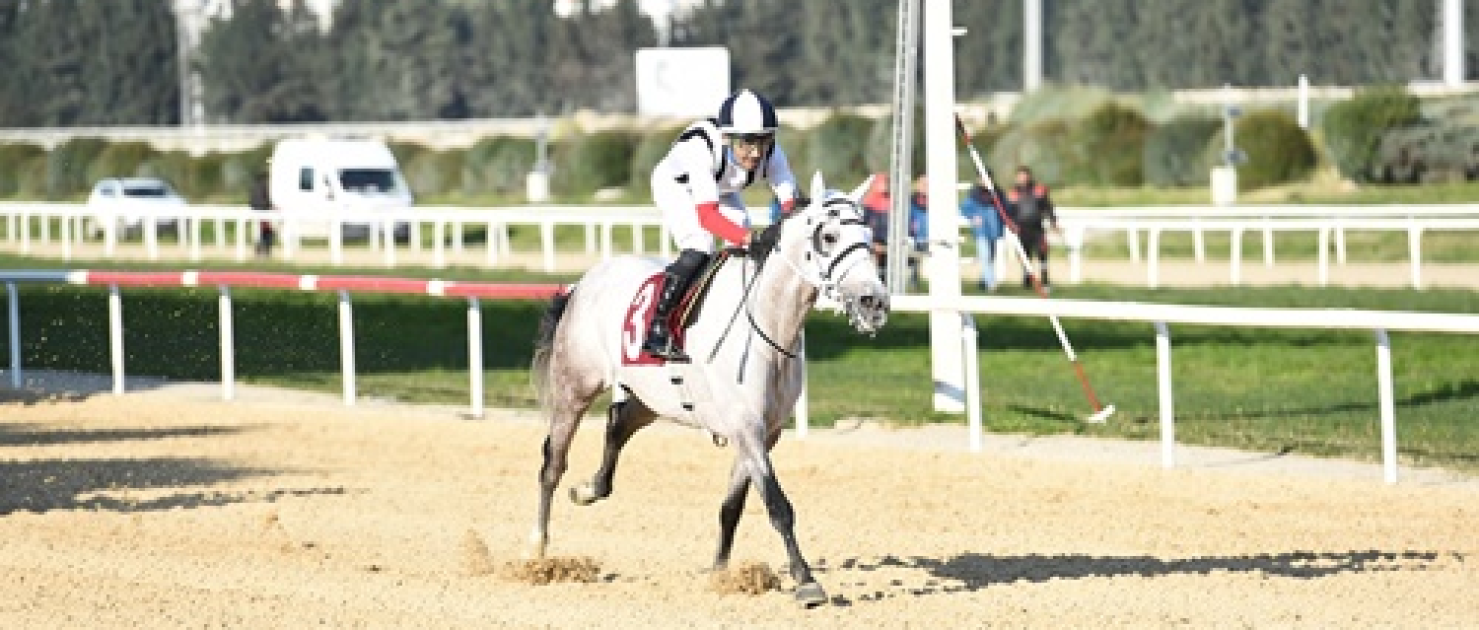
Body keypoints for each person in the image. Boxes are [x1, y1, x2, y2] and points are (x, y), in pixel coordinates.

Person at [643, 89, 799, 361]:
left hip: (720, 189)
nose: (756, 153)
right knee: (700, 246)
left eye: (763, 142)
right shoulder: (702, 147)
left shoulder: (773, 152)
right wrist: (751, 238)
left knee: (744, 244)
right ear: (728, 138)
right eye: (747, 143)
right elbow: (707, 216)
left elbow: (790, 205)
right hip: (678, 187)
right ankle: (657, 325)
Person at [1005, 165, 1058, 289]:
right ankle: (1027, 280)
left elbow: (1048, 207)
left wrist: (1053, 222)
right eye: (1020, 176)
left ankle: (1045, 280)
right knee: (1025, 255)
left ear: (1029, 176)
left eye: (1025, 175)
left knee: (1042, 253)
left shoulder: (1039, 190)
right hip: (1021, 229)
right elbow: (1010, 211)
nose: (1022, 178)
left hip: (1037, 228)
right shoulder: (1013, 193)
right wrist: (1010, 223)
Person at [960, 178, 1004, 291]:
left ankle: (984, 279)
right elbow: (965, 208)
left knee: (991, 256)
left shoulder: (997, 194)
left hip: (994, 231)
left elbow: (1005, 209)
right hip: (981, 231)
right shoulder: (974, 194)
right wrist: (973, 217)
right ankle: (990, 282)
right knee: (985, 256)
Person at [860, 174, 891, 278]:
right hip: (873, 244)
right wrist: (871, 243)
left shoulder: (891, 201)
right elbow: (864, 225)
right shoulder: (868, 204)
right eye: (881, 183)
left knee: (887, 273)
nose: (884, 186)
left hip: (888, 244)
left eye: (885, 183)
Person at [248, 170, 276, 258]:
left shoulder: (253, 186)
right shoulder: (264, 185)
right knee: (267, 232)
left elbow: (251, 201)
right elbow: (267, 199)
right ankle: (266, 251)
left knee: (259, 233)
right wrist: (272, 207)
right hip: (264, 212)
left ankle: (258, 251)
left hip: (255, 212)